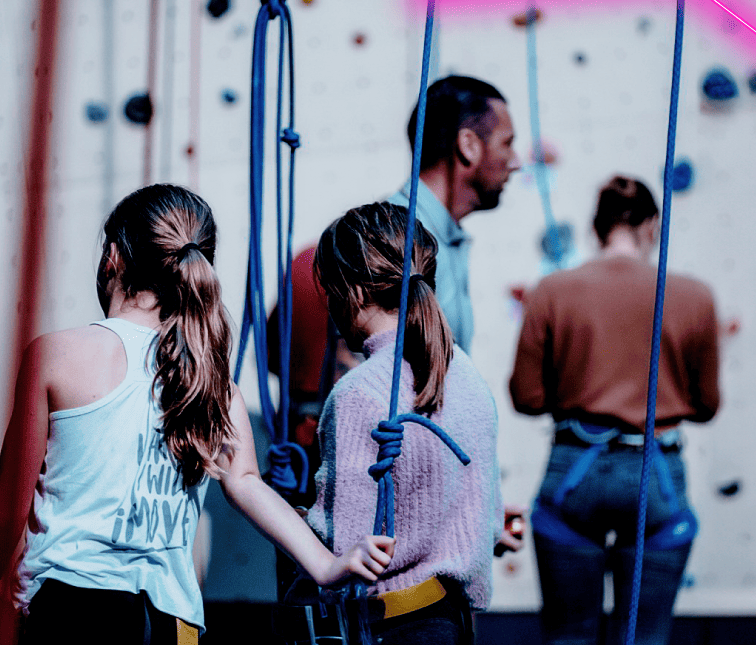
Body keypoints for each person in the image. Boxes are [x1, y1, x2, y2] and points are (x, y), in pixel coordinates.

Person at [0, 185, 394, 645]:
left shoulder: (58, 356)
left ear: (112, 258)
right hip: (172, 624)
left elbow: (4, 510)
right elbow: (247, 485)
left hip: (75, 609)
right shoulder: (215, 386)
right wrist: (325, 563)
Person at [276, 202, 504, 645]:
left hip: (389, 626)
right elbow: (488, 518)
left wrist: (287, 511)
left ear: (354, 293)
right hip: (450, 620)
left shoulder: (358, 393)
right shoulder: (466, 374)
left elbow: (342, 545)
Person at [508, 176, 721, 645]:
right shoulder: (694, 296)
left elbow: (526, 397)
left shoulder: (552, 291)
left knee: (568, 637)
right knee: (644, 637)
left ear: (595, 228)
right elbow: (707, 406)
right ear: (651, 226)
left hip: (573, 471)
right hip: (656, 471)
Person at [388, 75, 522, 352]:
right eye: (507, 143)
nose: (516, 162)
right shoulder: (395, 238)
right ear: (469, 145)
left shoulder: (439, 236)